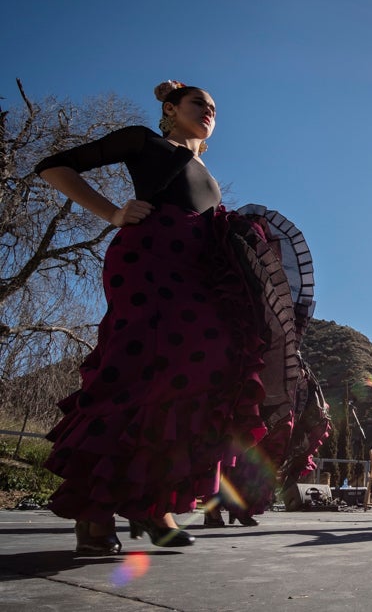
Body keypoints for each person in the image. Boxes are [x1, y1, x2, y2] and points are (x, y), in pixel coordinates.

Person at [37, 81, 301, 555]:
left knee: (201, 373)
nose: (208, 112)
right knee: (132, 371)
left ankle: (151, 499)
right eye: (199, 103)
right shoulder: (144, 140)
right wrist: (112, 212)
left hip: (196, 273)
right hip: (150, 258)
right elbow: (54, 167)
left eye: (215, 108)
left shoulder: (205, 168)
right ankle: (92, 511)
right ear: (170, 108)